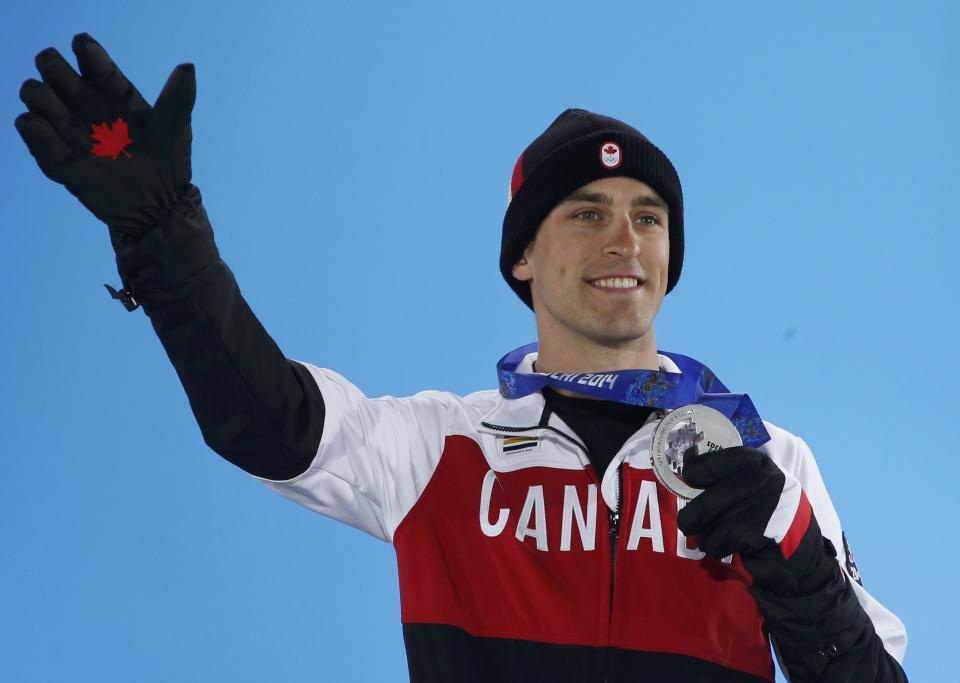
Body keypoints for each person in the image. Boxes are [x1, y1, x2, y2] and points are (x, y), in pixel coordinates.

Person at [15, 32, 909, 683]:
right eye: (586, 212)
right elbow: (266, 420)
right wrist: (161, 236)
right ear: (522, 256)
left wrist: (793, 557)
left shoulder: (767, 464)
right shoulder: (441, 447)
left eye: (648, 216)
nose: (623, 239)